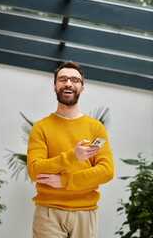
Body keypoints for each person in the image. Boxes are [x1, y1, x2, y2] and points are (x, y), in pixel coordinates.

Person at [27, 60, 114, 238]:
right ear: (54, 86)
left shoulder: (96, 127)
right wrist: (72, 156)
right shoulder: (41, 127)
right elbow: (35, 170)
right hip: (48, 213)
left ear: (81, 88)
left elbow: (106, 171)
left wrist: (64, 181)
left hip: (86, 212)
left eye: (74, 80)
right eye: (63, 79)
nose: (68, 83)